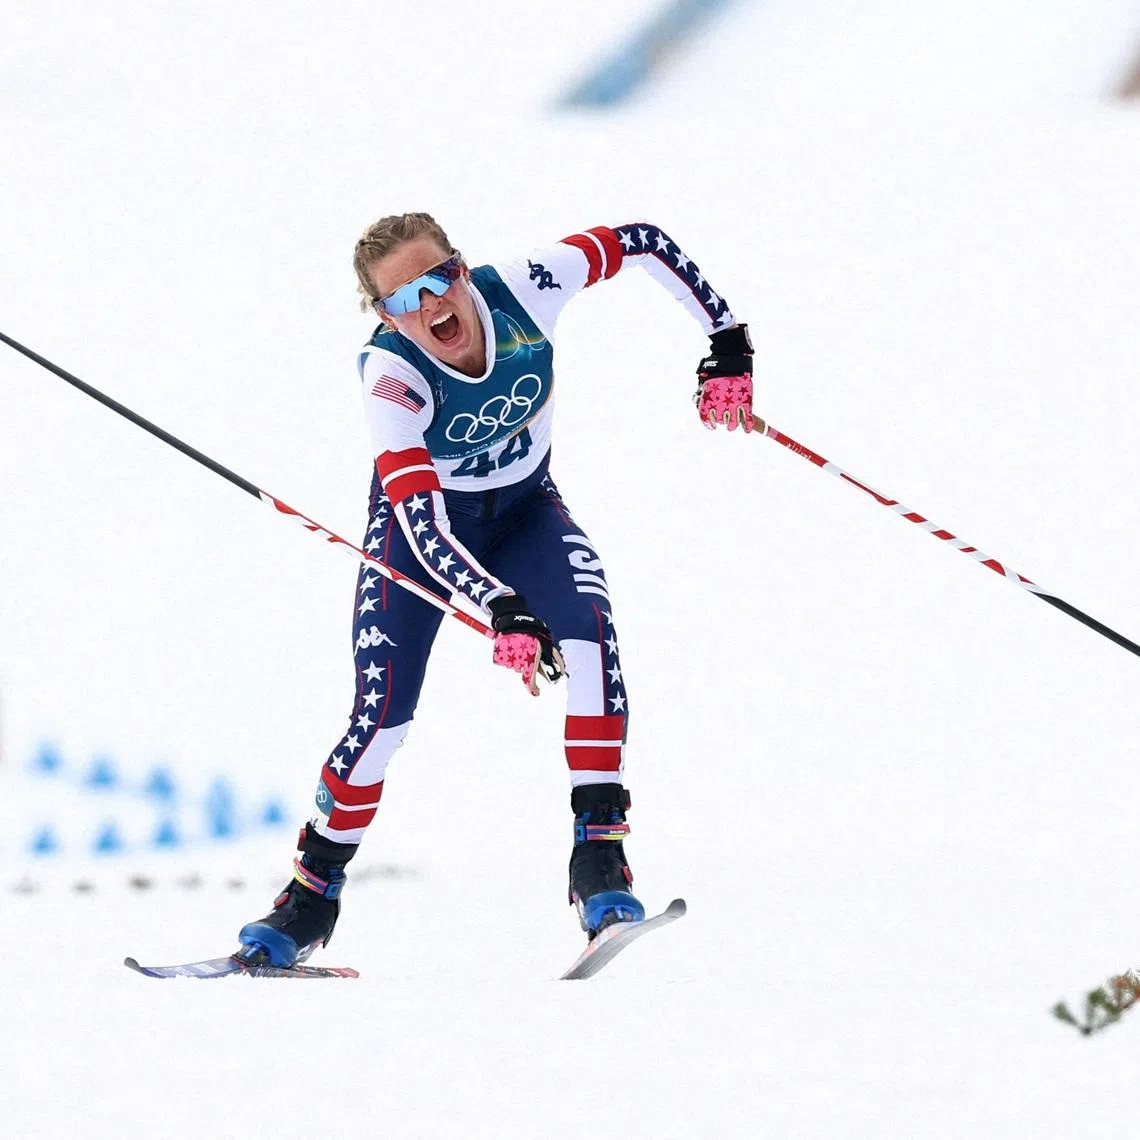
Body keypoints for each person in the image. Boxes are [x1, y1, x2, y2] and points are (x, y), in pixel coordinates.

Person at [235, 213, 754, 967]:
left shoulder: (524, 288)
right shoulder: (392, 378)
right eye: (405, 297)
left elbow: (641, 241)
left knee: (590, 638)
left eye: (440, 277)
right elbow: (419, 522)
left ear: (462, 267)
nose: (432, 304)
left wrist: (726, 339)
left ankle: (600, 868)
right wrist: (496, 605)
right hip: (424, 542)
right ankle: (307, 902)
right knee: (380, 722)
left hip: (525, 513)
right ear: (384, 315)